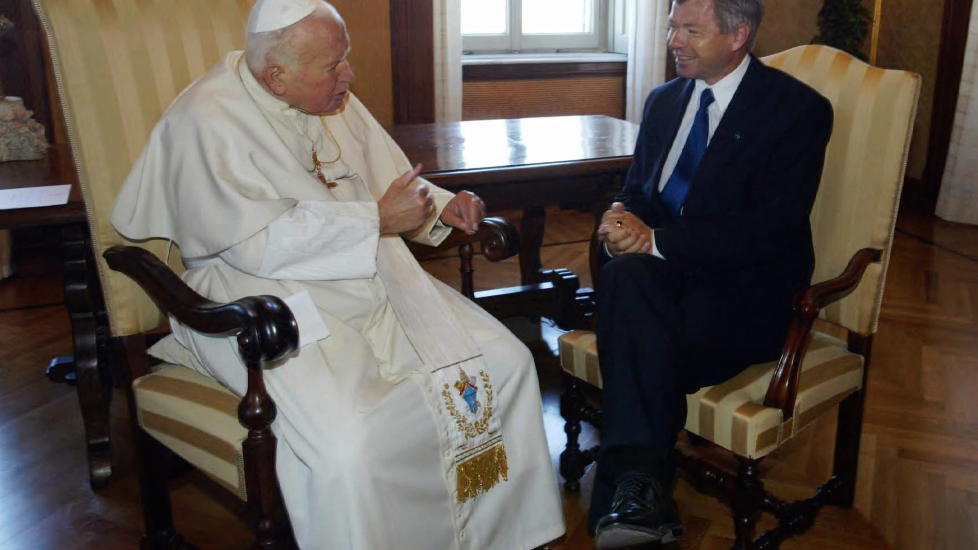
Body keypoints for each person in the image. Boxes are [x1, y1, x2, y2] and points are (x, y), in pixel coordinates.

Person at [110, 1, 565, 548]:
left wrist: (440, 206)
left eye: (344, 59)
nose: (349, 75)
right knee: (351, 438)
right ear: (276, 77)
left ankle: (497, 535)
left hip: (372, 273)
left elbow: (392, 180)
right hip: (261, 299)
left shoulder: (333, 98)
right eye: (333, 65)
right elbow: (255, 244)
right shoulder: (205, 120)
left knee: (507, 364)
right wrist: (375, 219)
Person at [588, 0, 833, 547]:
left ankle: (633, 489)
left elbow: (772, 229)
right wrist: (621, 221)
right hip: (668, 279)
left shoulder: (796, 111)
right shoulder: (663, 101)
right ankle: (642, 489)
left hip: (746, 293)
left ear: (738, 34)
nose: (674, 39)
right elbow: (638, 191)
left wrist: (656, 242)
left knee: (634, 328)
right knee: (628, 281)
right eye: (674, 25)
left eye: (691, 30)